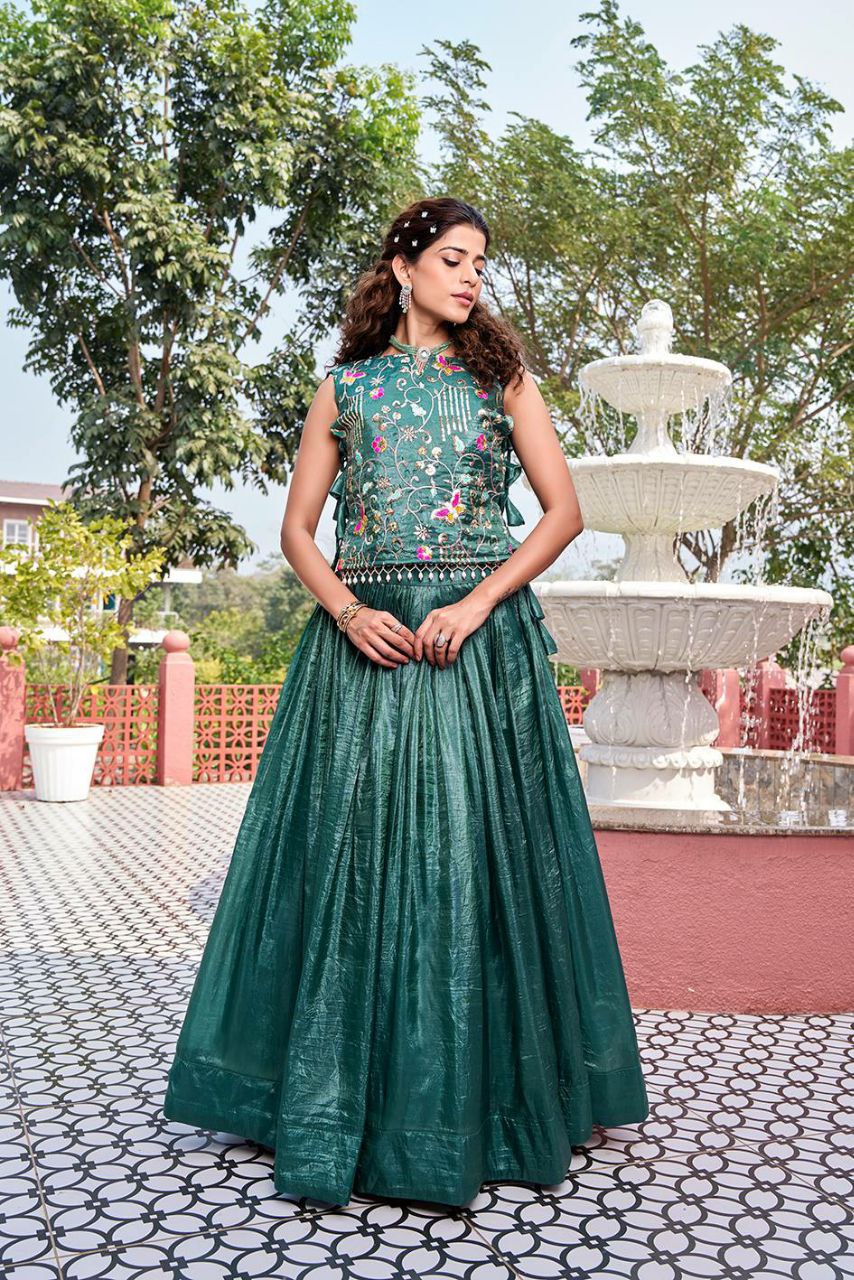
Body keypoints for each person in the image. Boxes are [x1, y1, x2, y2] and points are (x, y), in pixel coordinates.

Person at [162, 195, 649, 1208]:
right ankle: (333, 1099)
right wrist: (346, 612)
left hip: (474, 646)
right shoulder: (344, 386)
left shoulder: (502, 380)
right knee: (348, 864)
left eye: (480, 264)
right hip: (365, 648)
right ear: (404, 264)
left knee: (473, 863)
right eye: (454, 259)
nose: (471, 278)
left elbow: (563, 513)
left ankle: (482, 1107)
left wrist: (475, 603)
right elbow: (297, 530)